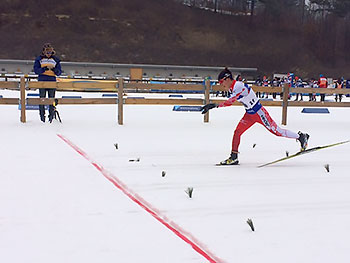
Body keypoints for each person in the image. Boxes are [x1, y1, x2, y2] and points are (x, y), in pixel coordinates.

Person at [201, 68, 309, 165]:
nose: (221, 85)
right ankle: (234, 157)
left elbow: (230, 102)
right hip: (249, 113)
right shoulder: (232, 88)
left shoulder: (238, 86)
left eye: (221, 82)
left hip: (259, 112)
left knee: (278, 132)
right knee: (237, 132)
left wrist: (214, 105)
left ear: (227, 79)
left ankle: (301, 137)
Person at [33, 43, 62, 122]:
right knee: (42, 99)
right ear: (44, 52)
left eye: (50, 53)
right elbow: (36, 70)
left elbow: (59, 72)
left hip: (52, 81)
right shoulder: (39, 59)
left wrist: (54, 70)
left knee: (51, 99)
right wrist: (44, 69)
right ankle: (42, 117)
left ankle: (51, 117)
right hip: (42, 81)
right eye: (47, 53)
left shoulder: (55, 60)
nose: (48, 54)